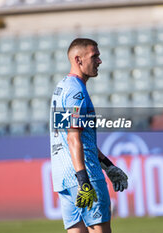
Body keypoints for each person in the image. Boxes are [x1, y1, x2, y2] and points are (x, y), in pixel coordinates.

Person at [49, 38, 129, 233]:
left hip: (64, 179)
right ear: (78, 59)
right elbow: (73, 138)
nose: (99, 61)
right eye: (95, 56)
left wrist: (108, 166)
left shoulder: (63, 88)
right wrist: (84, 181)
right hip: (86, 177)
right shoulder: (78, 93)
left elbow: (76, 137)